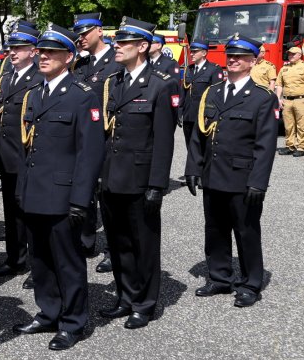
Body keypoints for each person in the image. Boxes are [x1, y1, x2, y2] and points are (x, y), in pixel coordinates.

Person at [13, 23, 104, 350]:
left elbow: (90, 153)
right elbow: (31, 150)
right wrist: (22, 190)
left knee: (68, 262)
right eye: (42, 51)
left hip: (64, 196)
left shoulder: (82, 97)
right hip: (36, 192)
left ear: (69, 56)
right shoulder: (36, 94)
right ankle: (48, 311)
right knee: (40, 259)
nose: (44, 56)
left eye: (52, 51)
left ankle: (73, 321)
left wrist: (81, 201)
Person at [98, 17, 180, 330]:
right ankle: (125, 296)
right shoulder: (114, 82)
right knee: (118, 244)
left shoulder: (161, 84)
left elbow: (163, 140)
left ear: (142, 46)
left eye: (124, 42)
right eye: (116, 41)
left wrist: (157, 185)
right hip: (111, 177)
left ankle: (144, 304)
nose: (116, 46)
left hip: (140, 179)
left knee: (143, 245)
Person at [185, 34, 279, 307]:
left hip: (242, 178)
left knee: (246, 231)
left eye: (240, 57)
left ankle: (250, 283)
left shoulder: (262, 98)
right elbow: (198, 137)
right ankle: (219, 277)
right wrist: (193, 167)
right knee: (215, 228)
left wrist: (258, 183)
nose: (233, 60)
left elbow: (265, 145)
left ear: (252, 62)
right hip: (213, 175)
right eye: (230, 56)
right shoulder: (212, 92)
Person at [0, 22, 44, 280]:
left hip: (29, 159)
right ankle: (15, 259)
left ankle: (39, 266)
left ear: (33, 51)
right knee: (11, 214)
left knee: (33, 215)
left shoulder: (40, 79)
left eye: (19, 48)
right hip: (8, 158)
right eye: (11, 48)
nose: (13, 52)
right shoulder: (7, 77)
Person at [71, 12, 121, 272]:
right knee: (84, 192)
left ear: (100, 31)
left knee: (108, 199)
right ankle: (85, 240)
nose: (81, 38)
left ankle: (113, 250)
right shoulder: (80, 65)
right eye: (78, 34)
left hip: (106, 138)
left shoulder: (117, 62)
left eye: (85, 32)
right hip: (81, 139)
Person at [275, 46, 304, 156]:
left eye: (293, 54)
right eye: (289, 54)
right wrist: (278, 98)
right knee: (288, 125)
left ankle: (301, 147)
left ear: (299, 55)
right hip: (287, 101)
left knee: (302, 124)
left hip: (302, 100)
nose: (291, 56)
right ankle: (290, 146)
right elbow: (279, 84)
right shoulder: (284, 68)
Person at [181, 41, 224, 146]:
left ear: (204, 53)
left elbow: (216, 95)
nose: (191, 54)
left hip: (203, 115)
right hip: (188, 116)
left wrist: (211, 115)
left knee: (203, 148)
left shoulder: (214, 69)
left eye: (195, 52)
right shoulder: (189, 69)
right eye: (191, 51)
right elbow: (184, 92)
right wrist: (179, 112)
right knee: (189, 147)